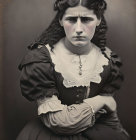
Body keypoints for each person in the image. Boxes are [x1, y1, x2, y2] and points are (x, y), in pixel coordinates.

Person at [17, 0, 130, 140]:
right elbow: (57, 122)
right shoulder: (42, 59)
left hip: (96, 133)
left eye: (86, 19)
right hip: (49, 134)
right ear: (60, 20)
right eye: (71, 19)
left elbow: (110, 119)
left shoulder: (108, 60)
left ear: (99, 20)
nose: (78, 29)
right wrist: (101, 101)